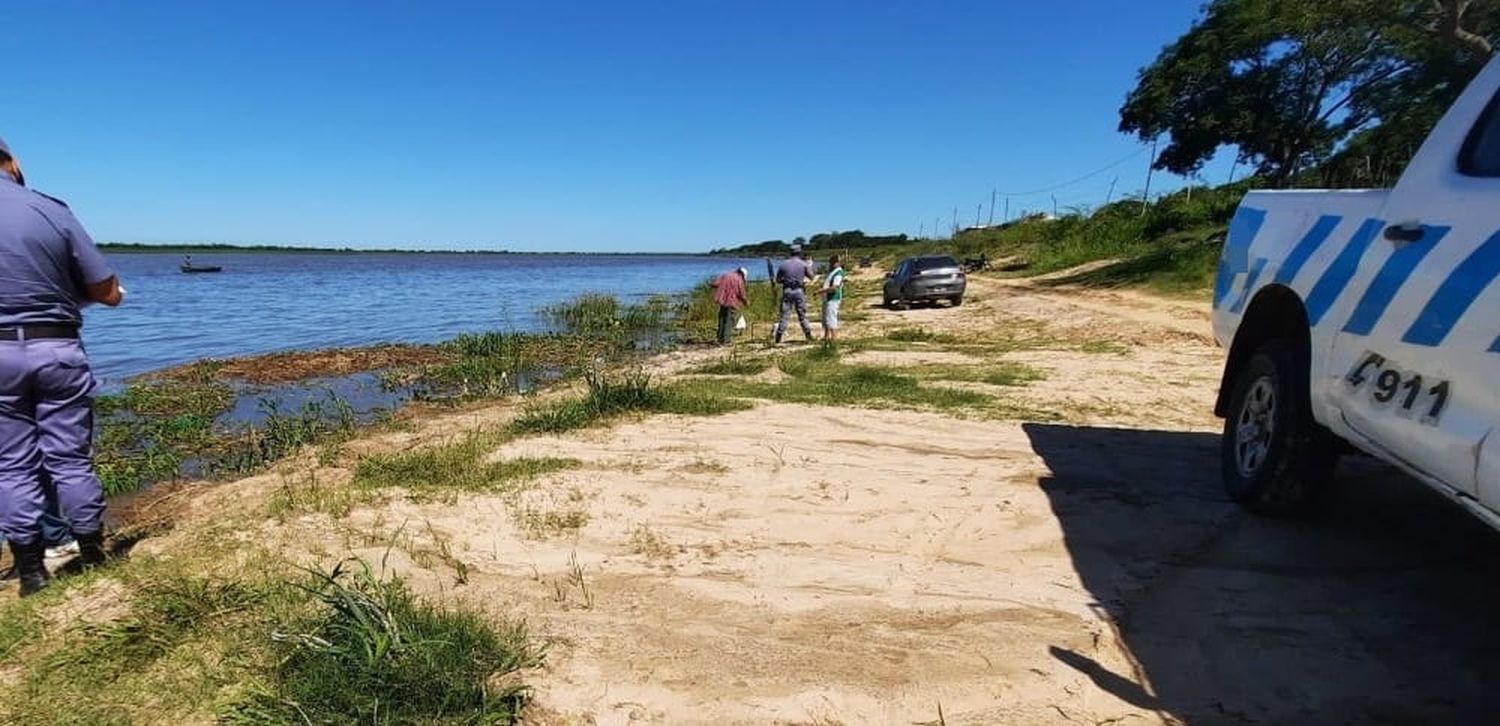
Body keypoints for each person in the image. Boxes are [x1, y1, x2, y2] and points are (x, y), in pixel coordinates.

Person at [0, 135, 122, 596]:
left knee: (10, 466)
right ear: (13, 163)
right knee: (70, 458)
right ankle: (91, 552)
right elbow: (107, 291)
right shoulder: (49, 209)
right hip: (55, 348)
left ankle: (31, 573)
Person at [772, 245, 816, 344]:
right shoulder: (803, 264)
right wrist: (810, 266)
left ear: (790, 253)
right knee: (802, 314)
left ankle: (778, 337)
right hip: (799, 290)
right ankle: (808, 335)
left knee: (784, 315)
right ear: (799, 252)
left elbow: (778, 280)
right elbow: (812, 277)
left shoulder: (783, 265)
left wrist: (785, 280)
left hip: (787, 290)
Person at [711, 267, 749, 345]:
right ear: (742, 275)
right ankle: (726, 340)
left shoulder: (725, 275)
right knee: (729, 321)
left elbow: (714, 284)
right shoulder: (739, 280)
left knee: (722, 319)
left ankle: (719, 338)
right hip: (732, 302)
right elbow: (742, 294)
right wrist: (746, 302)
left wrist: (723, 288)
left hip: (722, 301)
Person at [820, 255, 846, 341]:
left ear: (837, 263)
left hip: (833, 298)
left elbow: (834, 287)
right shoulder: (833, 271)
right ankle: (826, 336)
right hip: (828, 298)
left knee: (831, 318)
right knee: (827, 318)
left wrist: (822, 290)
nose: (830, 264)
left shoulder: (838, 273)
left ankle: (834, 338)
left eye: (832, 263)